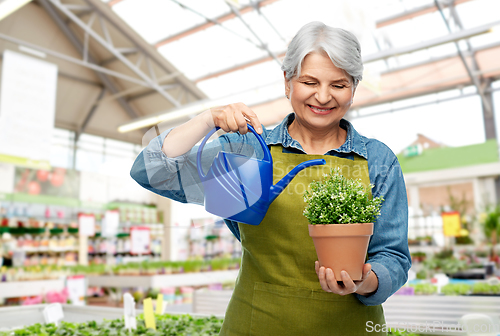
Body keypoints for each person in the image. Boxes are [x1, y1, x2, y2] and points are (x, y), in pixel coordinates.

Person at [131, 21, 411, 335]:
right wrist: (207, 119)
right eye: (309, 81)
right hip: (257, 323)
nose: (322, 96)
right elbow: (150, 171)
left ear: (354, 89)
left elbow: (394, 256)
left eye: (339, 84)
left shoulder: (377, 161)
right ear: (287, 81)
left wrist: (365, 281)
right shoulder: (246, 150)